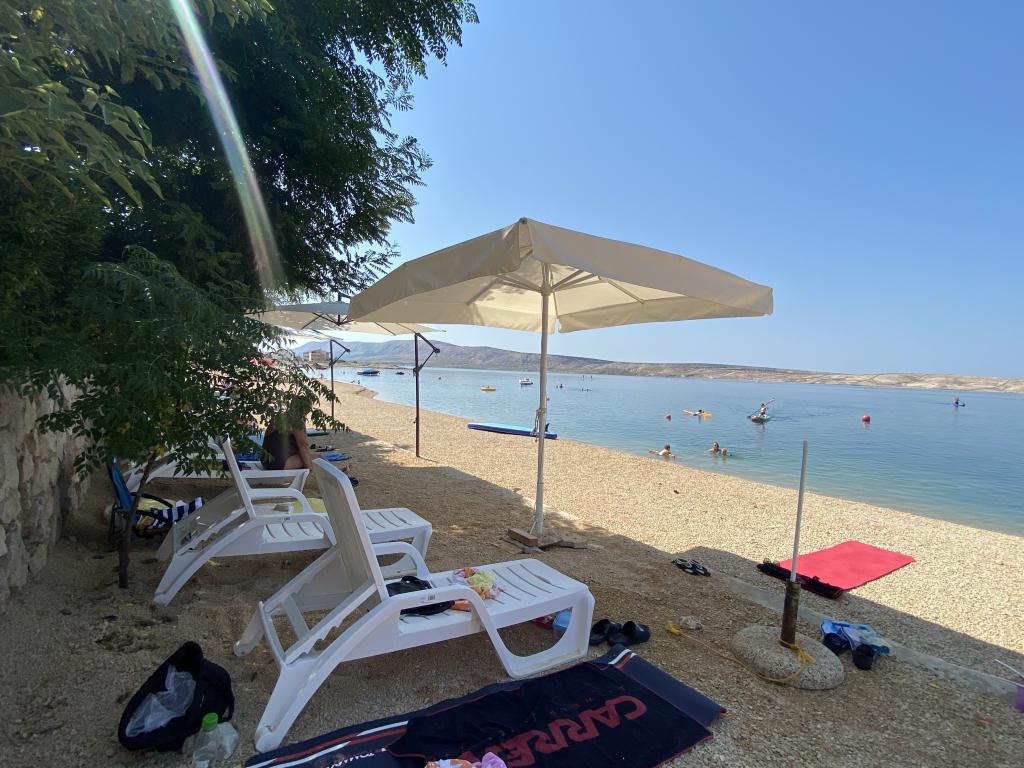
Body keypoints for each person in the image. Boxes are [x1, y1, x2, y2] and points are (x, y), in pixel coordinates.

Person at [262, 397, 315, 470]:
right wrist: (308, 467)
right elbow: (303, 445)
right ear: (306, 409)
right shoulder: (296, 421)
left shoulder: (279, 417)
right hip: (277, 463)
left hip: (265, 461)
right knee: (319, 459)